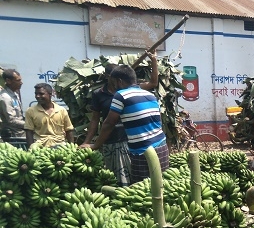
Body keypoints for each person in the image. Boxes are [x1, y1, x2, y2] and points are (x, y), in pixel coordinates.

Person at [81, 53, 158, 186]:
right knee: (115, 177)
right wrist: (88, 142)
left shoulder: (132, 89)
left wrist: (154, 61)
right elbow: (96, 120)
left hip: (129, 139)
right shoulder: (99, 94)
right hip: (110, 139)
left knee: (135, 178)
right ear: (108, 77)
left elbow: (153, 83)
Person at [24, 83, 75, 149]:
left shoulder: (61, 110)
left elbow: (69, 130)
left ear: (50, 94)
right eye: (36, 94)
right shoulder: (30, 111)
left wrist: (72, 148)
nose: (38, 96)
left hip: (60, 145)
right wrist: (31, 148)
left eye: (41, 94)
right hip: (40, 146)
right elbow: (29, 131)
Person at [0, 69, 25, 141]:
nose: (21, 82)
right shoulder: (5, 97)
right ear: (8, 81)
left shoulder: (14, 94)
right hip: (13, 135)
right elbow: (11, 120)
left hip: (21, 132)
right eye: (18, 80)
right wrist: (29, 125)